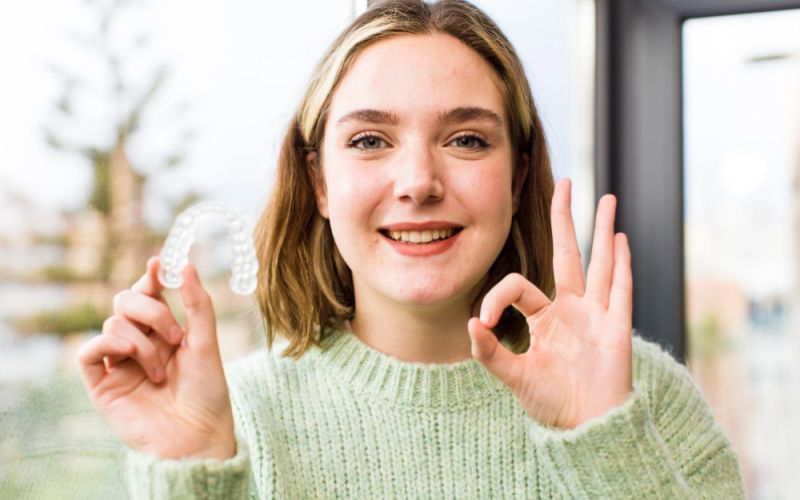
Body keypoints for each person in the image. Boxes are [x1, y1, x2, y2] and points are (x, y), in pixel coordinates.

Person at [76, 0, 746, 497]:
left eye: (467, 139)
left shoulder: (641, 397)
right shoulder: (229, 420)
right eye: (370, 140)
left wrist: (606, 444)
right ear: (319, 182)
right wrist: (192, 472)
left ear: (517, 177)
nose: (419, 183)